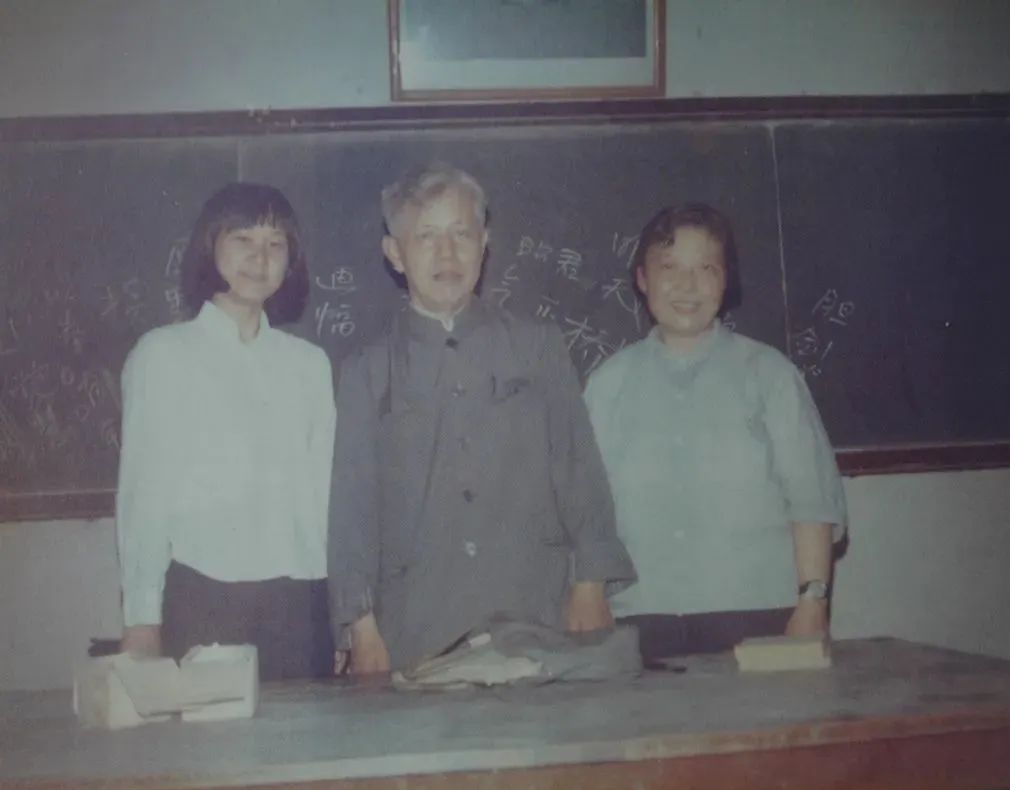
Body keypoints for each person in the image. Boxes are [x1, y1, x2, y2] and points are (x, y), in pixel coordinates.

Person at [328, 163, 636, 673]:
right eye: (426, 236)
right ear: (395, 253)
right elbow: (352, 511)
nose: (447, 254)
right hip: (416, 629)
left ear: (484, 244)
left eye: (461, 234)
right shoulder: (366, 370)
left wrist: (590, 583)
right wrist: (361, 627)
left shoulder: (537, 347)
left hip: (536, 614)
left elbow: (579, 469)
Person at [583, 203, 846, 661]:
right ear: (643, 279)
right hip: (640, 619)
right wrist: (587, 593)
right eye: (670, 268)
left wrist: (813, 601)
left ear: (725, 282)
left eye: (706, 269)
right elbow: (585, 506)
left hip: (760, 616)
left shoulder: (770, 375)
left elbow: (812, 499)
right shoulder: (608, 383)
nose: (688, 286)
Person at [116, 182, 336, 680]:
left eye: (276, 244)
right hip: (204, 596)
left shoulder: (309, 365)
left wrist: (338, 615)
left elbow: (321, 497)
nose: (260, 258)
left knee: (305, 729)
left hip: (299, 602)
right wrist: (141, 618)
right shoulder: (163, 355)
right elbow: (144, 496)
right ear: (209, 246)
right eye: (243, 239)